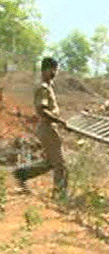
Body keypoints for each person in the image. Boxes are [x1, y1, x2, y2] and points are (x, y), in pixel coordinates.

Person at [13, 57, 68, 197]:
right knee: (60, 164)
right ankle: (59, 195)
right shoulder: (43, 88)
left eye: (56, 70)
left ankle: (22, 173)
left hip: (48, 127)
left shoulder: (48, 87)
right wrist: (59, 121)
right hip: (48, 127)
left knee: (51, 162)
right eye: (52, 70)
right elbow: (42, 110)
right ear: (45, 70)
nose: (55, 73)